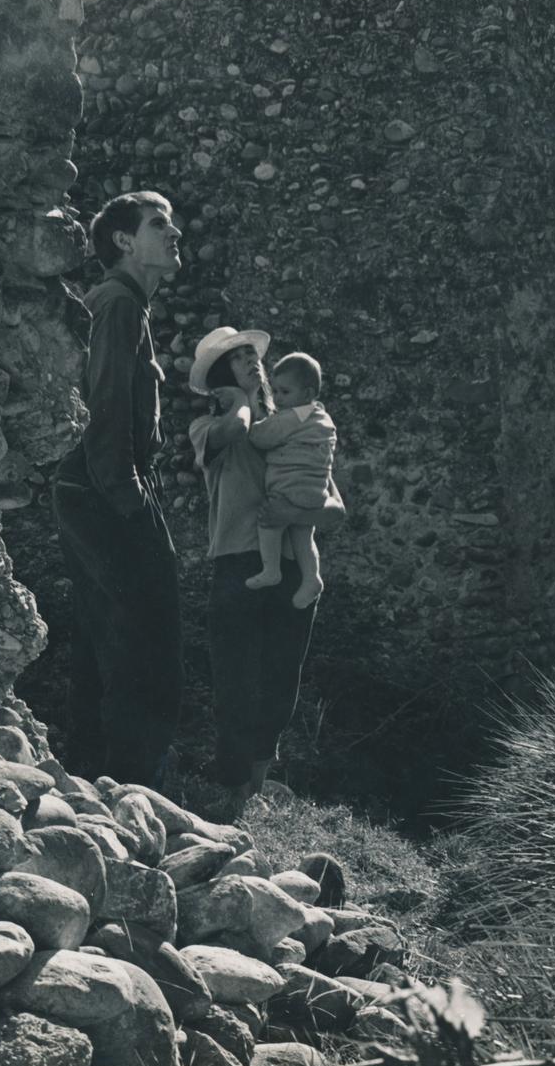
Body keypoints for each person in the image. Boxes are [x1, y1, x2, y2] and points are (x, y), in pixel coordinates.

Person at [51, 190, 184, 789]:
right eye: (161, 224)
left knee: (106, 629)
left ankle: (95, 775)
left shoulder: (128, 304)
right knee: (144, 631)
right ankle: (131, 784)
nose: (174, 234)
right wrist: (130, 503)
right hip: (103, 487)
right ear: (125, 242)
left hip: (99, 485)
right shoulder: (118, 304)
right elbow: (102, 408)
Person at [188, 326, 344, 813]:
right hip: (237, 562)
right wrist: (238, 399)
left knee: (281, 676)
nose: (253, 362)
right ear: (220, 377)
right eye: (238, 360)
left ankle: (256, 784)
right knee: (235, 678)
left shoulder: (298, 430)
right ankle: (233, 786)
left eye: (253, 356)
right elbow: (234, 430)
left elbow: (335, 509)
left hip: (293, 568)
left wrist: (291, 516)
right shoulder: (208, 428)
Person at [245, 352, 338, 609]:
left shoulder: (292, 417)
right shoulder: (323, 419)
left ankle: (270, 569)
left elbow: (260, 437)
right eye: (275, 391)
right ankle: (312, 578)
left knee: (270, 523)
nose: (277, 398)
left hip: (289, 487)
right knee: (303, 536)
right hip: (315, 492)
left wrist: (256, 417)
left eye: (285, 392)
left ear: (307, 394)